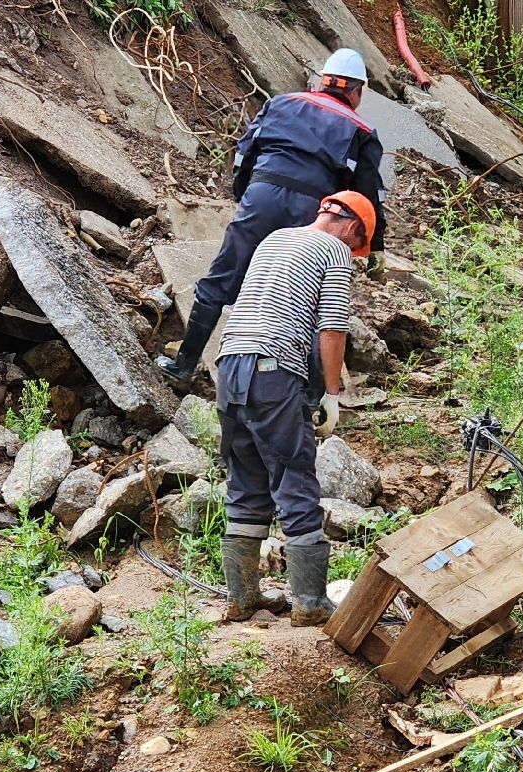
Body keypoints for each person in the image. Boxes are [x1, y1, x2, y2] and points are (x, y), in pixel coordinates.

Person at [156, 48, 388, 389]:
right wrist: (375, 246)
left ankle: (183, 365)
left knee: (222, 278)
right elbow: (367, 195)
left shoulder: (281, 103)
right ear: (356, 91)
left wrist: (244, 195)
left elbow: (244, 154)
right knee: (307, 298)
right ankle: (308, 397)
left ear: (323, 81)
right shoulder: (363, 131)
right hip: (312, 212)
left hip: (262, 197)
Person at [213, 190, 376, 626]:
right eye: (359, 246)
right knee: (293, 476)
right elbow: (333, 327)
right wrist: (331, 391)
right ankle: (308, 602)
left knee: (246, 479)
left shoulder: (276, 238)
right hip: (272, 369)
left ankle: (243, 597)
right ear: (353, 229)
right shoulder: (336, 250)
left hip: (230, 368)